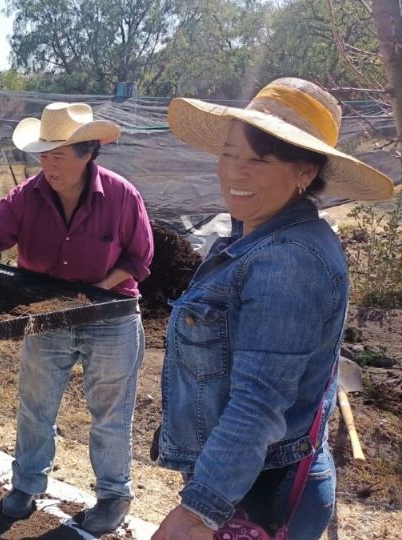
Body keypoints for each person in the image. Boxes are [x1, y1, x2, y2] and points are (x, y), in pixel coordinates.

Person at [152, 78, 395, 540]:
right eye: (229, 154)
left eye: (259, 160)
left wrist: (197, 512)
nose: (234, 173)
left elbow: (259, 404)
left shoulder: (287, 260)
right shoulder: (254, 237)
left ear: (304, 172)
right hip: (250, 479)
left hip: (259, 493)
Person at [0, 102, 154, 535]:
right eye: (43, 154)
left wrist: (98, 288)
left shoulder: (121, 196)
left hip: (109, 314)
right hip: (45, 315)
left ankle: (114, 495)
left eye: (57, 155)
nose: (47, 165)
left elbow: (139, 257)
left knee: (110, 414)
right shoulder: (28, 196)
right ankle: (26, 484)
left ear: (87, 154)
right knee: (36, 406)